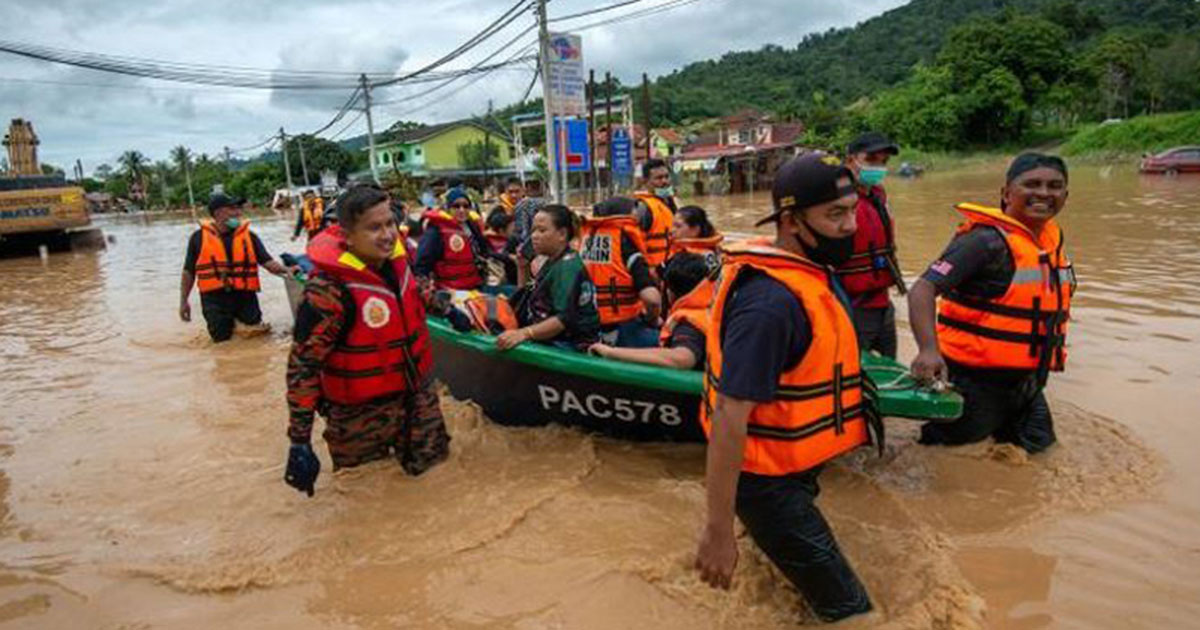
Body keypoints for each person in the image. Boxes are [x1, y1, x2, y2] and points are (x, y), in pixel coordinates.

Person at [694, 153, 880, 624]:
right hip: (765, 483)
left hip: (791, 468)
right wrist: (718, 531)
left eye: (851, 210)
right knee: (854, 614)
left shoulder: (810, 276)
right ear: (793, 222)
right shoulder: (770, 304)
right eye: (834, 214)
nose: (849, 225)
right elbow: (730, 417)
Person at [284, 185, 465, 497]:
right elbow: (303, 367)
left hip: (417, 396)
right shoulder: (326, 292)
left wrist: (447, 308)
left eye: (389, 224)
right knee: (366, 495)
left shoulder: (397, 260)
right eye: (374, 228)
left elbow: (415, 291)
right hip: (359, 414)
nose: (386, 235)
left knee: (437, 481)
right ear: (348, 235)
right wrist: (299, 440)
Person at [908, 153, 1075, 454]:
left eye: (1055, 186)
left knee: (1042, 455)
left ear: (1066, 195)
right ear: (1006, 193)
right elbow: (922, 288)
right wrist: (928, 351)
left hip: (1027, 382)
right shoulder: (984, 242)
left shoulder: (1050, 242)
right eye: (1032, 184)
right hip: (974, 383)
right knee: (944, 458)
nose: (1044, 193)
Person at [180, 193, 296, 342]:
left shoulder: (249, 237)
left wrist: (287, 270)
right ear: (218, 213)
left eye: (238, 209)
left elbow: (267, 262)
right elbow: (188, 271)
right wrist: (184, 301)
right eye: (232, 209)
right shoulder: (198, 238)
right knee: (222, 342)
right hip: (214, 300)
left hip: (245, 296)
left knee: (255, 336)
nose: (238, 213)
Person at [836, 132, 907, 358]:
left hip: (882, 302)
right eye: (870, 160)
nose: (878, 167)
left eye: (883, 162)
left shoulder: (878, 195)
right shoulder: (836, 200)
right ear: (850, 161)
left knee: (889, 369)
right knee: (855, 372)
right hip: (853, 304)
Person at [497, 204, 601, 351]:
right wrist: (522, 267)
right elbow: (526, 294)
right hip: (551, 336)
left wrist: (524, 333)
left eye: (542, 230)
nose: (534, 236)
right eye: (533, 230)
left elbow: (562, 320)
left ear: (562, 234)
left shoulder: (567, 267)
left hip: (571, 346)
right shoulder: (552, 260)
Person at [589, 252, 710, 369]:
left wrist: (611, 353)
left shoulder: (691, 322)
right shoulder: (709, 308)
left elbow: (682, 359)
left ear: (669, 292)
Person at [579, 196, 662, 348]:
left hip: (587, 324)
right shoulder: (625, 242)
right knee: (666, 341)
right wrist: (653, 319)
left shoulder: (584, 239)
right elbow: (652, 299)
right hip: (623, 326)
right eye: (636, 211)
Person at [415, 188, 488, 290]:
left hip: (475, 285)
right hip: (450, 290)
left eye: (466, 206)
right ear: (447, 208)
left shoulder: (472, 226)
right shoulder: (436, 231)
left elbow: (484, 250)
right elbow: (422, 263)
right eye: (456, 206)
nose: (462, 210)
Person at [632, 158, 677, 269]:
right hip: (653, 270)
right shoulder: (642, 208)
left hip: (671, 268)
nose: (664, 181)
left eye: (667, 177)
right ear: (645, 181)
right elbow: (633, 244)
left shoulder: (670, 203)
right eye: (658, 178)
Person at [667, 204, 722, 273]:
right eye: (673, 225)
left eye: (678, 226)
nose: (672, 230)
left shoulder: (689, 258)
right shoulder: (715, 250)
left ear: (695, 229)